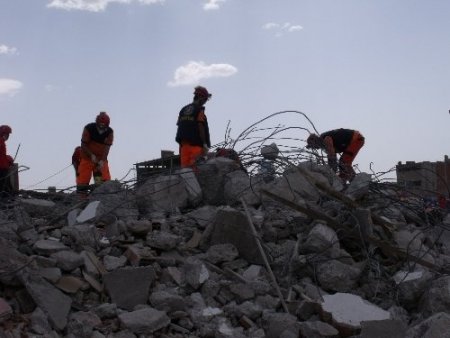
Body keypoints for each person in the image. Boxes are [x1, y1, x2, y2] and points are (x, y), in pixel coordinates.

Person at [76, 112, 114, 195]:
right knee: (83, 180)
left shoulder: (109, 132)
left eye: (104, 125)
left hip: (100, 159)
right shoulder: (89, 128)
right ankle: (82, 199)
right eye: (100, 124)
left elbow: (107, 148)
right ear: (97, 122)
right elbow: (83, 145)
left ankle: (102, 196)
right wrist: (91, 155)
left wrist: (102, 161)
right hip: (86, 158)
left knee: (104, 179)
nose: (102, 126)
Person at [175, 86, 211, 168]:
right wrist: (205, 144)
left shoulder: (183, 110)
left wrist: (180, 149)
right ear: (200, 97)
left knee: (186, 173)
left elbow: (180, 127)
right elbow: (200, 126)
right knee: (196, 171)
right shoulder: (199, 110)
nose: (205, 102)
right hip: (196, 146)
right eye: (205, 99)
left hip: (184, 148)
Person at [0, 125, 14, 196]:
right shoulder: (0, 141)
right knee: (6, 191)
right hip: (1, 170)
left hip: (3, 169)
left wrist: (8, 158)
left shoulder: (2, 142)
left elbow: (2, 156)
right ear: (3, 133)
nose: (8, 137)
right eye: (7, 134)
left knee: (7, 189)